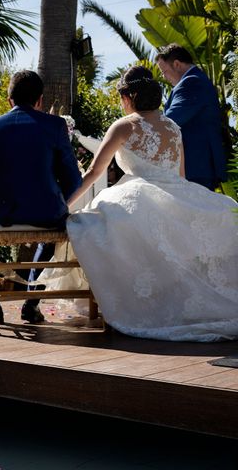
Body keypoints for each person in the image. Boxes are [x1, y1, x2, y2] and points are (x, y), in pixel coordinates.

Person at [51, 65, 238, 342]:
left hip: (137, 192)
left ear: (130, 96)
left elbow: (93, 173)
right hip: (177, 192)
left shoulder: (124, 126)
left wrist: (65, 204)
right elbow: (181, 176)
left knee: (87, 225)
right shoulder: (174, 127)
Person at [0, 69, 82, 324]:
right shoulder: (55, 125)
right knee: (52, 235)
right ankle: (31, 302)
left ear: (9, 100)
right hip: (45, 211)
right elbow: (73, 179)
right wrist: (60, 201)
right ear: (40, 100)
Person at [155, 44, 227, 191]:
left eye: (164, 71)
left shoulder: (191, 82)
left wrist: (141, 124)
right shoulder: (195, 80)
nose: (164, 77)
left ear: (177, 64)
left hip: (196, 165)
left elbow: (171, 120)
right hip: (196, 166)